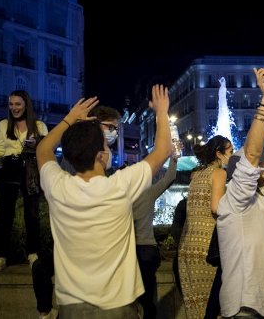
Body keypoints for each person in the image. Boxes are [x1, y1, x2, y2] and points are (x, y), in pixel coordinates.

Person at [36, 84, 171, 317]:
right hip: (118, 305)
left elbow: (43, 149)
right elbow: (162, 151)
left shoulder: (57, 187)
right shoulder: (119, 186)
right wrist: (161, 112)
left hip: (71, 308)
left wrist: (70, 119)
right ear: (100, 155)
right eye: (106, 146)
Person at [216, 68, 264, 318]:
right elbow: (252, 154)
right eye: (261, 168)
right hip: (245, 308)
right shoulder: (236, 200)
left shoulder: (259, 201)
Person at [0, 90, 48, 273]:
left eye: (18, 104)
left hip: (29, 170)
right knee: (5, 215)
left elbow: (44, 151)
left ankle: (33, 254)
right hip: (8, 169)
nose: (14, 108)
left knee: (32, 214)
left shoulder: (39, 126)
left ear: (26, 105)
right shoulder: (3, 125)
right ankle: (0, 257)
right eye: (11, 104)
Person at [177, 135, 232, 319]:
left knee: (194, 308)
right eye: (230, 152)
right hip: (206, 246)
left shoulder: (196, 173)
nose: (231, 156)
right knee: (210, 307)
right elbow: (216, 207)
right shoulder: (219, 173)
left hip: (186, 247)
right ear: (219, 154)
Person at [134, 157, 178, 319]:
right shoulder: (148, 193)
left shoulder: (120, 195)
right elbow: (169, 178)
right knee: (147, 298)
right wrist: (174, 159)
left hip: (127, 250)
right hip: (147, 250)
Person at [59, 105, 121, 175]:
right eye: (110, 127)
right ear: (94, 124)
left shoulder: (105, 150)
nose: (114, 132)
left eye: (115, 129)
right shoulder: (78, 149)